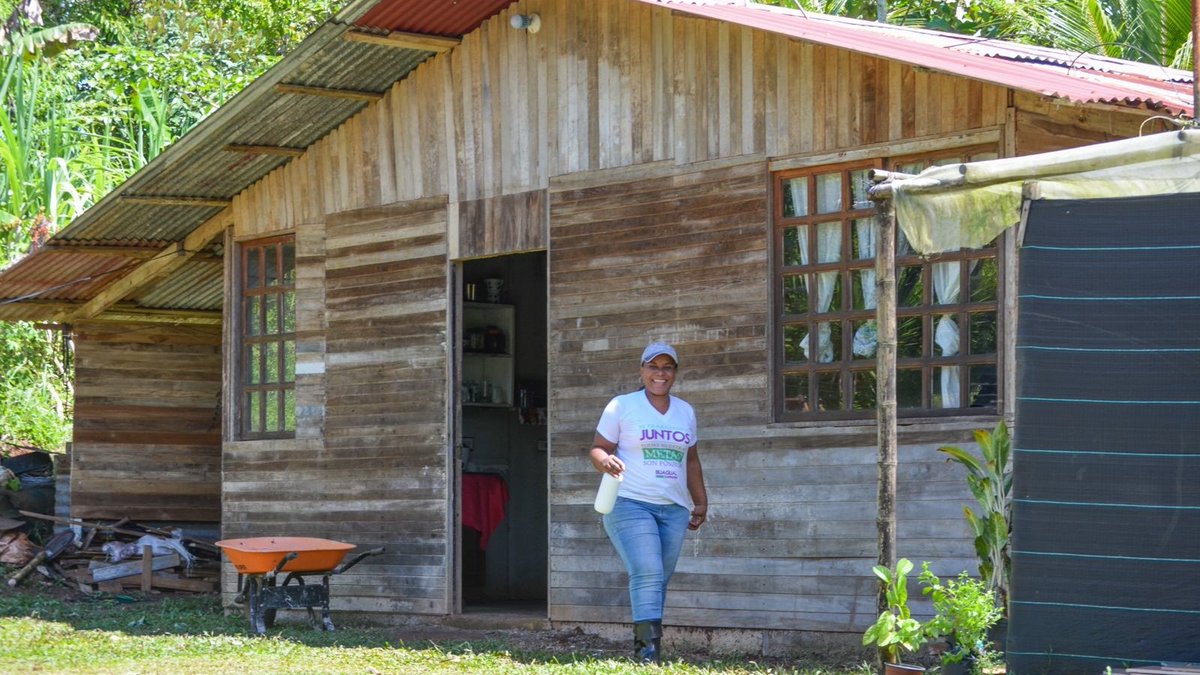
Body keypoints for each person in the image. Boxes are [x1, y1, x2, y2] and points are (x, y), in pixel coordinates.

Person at [587, 342, 708, 663]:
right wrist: (605, 462)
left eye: (668, 367)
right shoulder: (622, 406)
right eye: (654, 366)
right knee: (648, 572)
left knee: (659, 578)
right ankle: (646, 656)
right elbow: (598, 448)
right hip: (629, 502)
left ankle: (650, 651)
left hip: (674, 509)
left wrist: (700, 502)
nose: (660, 373)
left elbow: (691, 460)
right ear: (642, 370)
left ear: (675, 373)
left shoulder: (685, 411)